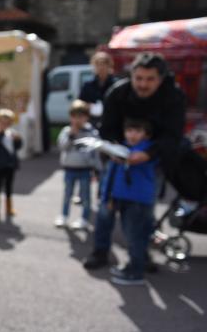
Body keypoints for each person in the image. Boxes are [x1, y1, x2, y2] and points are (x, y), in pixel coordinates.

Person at [83, 52, 186, 270]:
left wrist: (148, 154)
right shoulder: (118, 93)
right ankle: (101, 252)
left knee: (144, 213)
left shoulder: (173, 96)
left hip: (151, 163)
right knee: (106, 209)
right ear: (131, 75)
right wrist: (114, 151)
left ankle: (140, 255)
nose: (143, 84)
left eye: (150, 79)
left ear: (161, 78)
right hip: (116, 163)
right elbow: (107, 129)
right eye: (138, 78)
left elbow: (173, 135)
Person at [88, 119, 158, 285]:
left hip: (138, 201)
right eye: (129, 130)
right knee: (129, 235)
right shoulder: (120, 149)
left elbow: (146, 162)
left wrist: (130, 158)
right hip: (121, 199)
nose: (132, 135)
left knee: (135, 237)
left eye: (137, 131)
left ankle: (136, 272)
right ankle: (131, 267)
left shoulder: (147, 150)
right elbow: (113, 177)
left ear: (146, 134)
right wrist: (109, 198)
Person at [55, 100, 100, 229]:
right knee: (67, 194)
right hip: (70, 169)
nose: (77, 120)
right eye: (74, 116)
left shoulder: (91, 132)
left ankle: (84, 219)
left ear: (86, 117)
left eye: (81, 116)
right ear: (70, 117)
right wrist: (71, 135)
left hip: (85, 169)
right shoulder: (66, 131)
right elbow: (62, 147)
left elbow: (96, 152)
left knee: (86, 197)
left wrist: (97, 169)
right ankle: (63, 216)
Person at [78, 51, 116, 129]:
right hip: (91, 122)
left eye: (104, 64)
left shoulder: (115, 85)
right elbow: (80, 104)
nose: (101, 67)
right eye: (98, 64)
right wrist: (87, 106)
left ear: (109, 66)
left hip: (110, 122)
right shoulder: (87, 85)